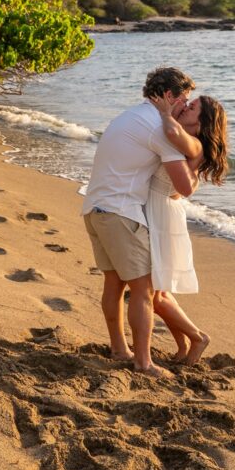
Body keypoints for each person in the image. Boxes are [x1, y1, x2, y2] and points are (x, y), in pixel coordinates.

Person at [81, 67, 198, 379]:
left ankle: (120, 348)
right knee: (143, 291)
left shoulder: (129, 116)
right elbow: (184, 188)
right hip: (120, 213)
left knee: (114, 284)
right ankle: (143, 363)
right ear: (169, 95)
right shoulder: (159, 128)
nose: (185, 106)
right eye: (184, 99)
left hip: (94, 208)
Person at [146, 92, 229, 365]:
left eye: (192, 107)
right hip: (162, 211)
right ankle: (182, 348)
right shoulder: (186, 139)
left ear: (202, 122)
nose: (186, 107)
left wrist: (165, 111)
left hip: (161, 214)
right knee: (161, 292)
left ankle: (197, 337)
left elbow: (169, 130)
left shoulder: (190, 141)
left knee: (155, 296)